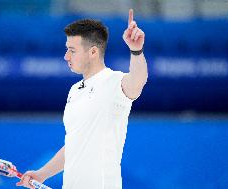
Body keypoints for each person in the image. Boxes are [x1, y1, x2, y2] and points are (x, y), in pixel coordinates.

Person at [16, 9, 148, 189]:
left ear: (93, 52)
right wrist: (42, 174)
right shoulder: (74, 91)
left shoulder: (114, 82)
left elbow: (137, 82)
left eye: (72, 51)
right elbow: (73, 145)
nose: (66, 57)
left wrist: (136, 51)